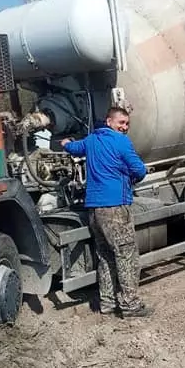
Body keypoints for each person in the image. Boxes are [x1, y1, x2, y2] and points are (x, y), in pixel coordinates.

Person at [61, 107, 151, 318]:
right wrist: (133, 177)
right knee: (126, 255)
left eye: (127, 124)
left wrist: (65, 143)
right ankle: (131, 306)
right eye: (121, 122)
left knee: (105, 256)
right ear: (109, 122)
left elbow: (74, 148)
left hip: (94, 210)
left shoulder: (91, 140)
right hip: (115, 208)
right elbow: (140, 170)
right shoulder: (121, 142)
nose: (125, 127)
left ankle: (107, 303)